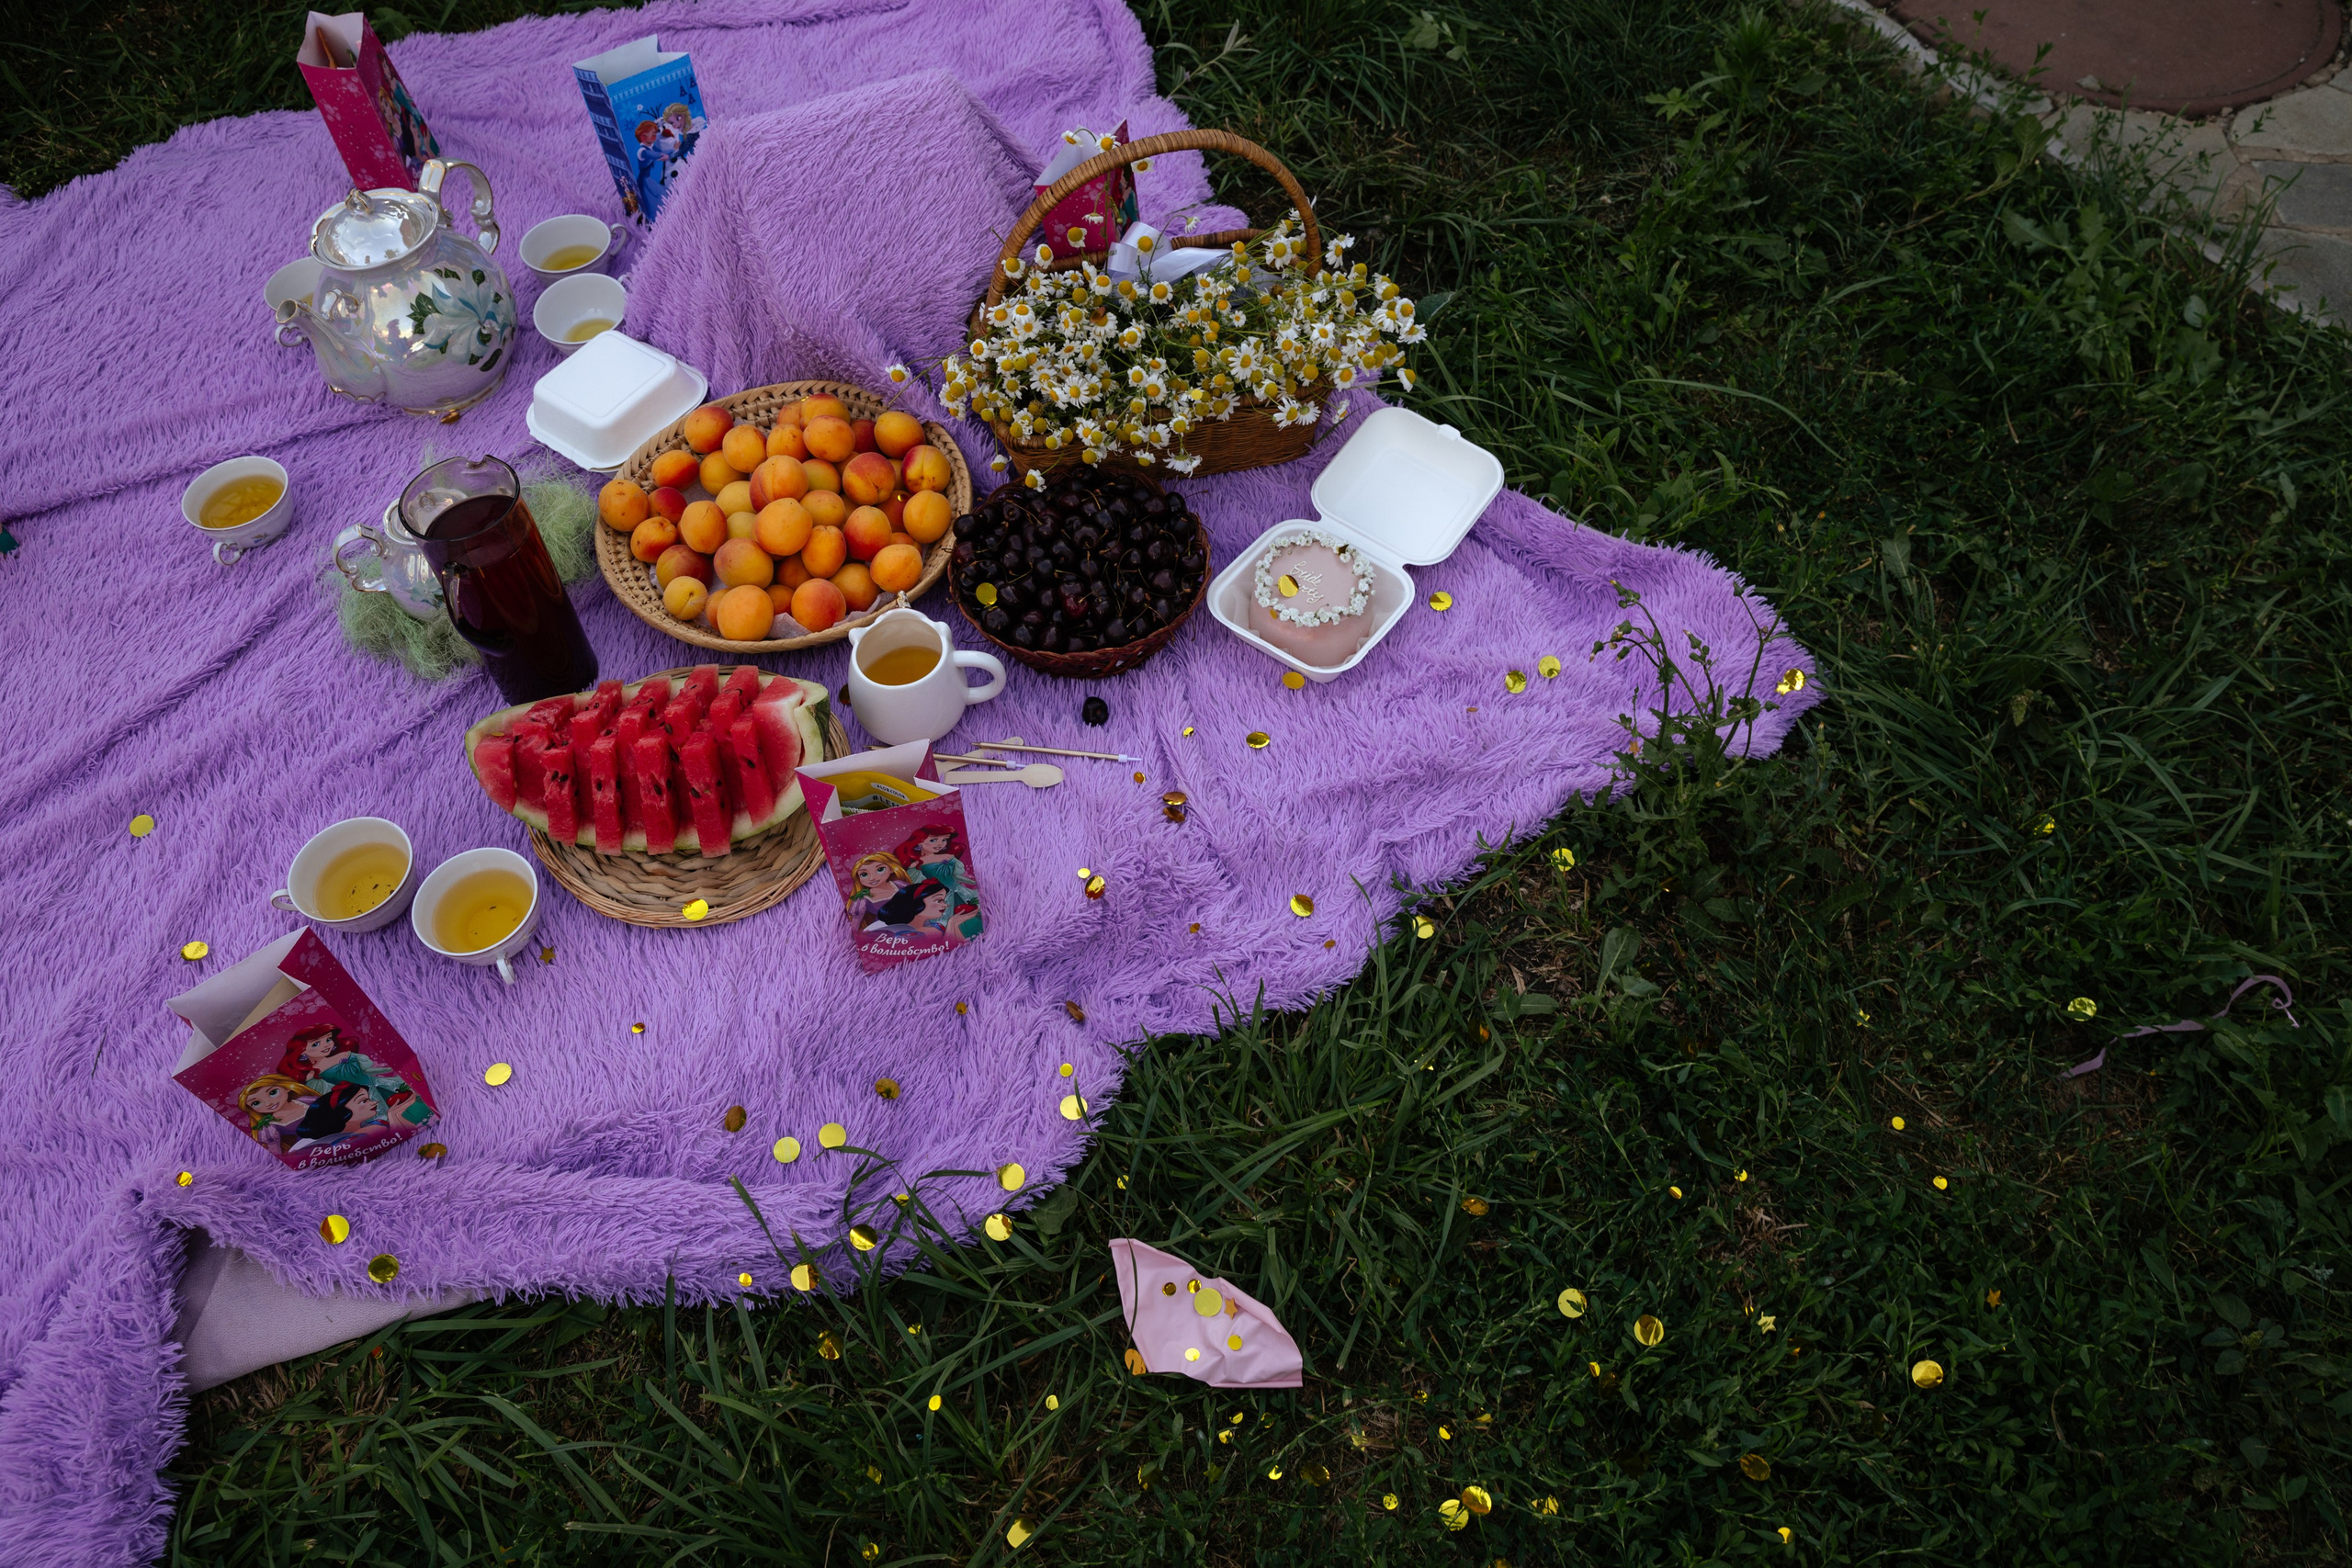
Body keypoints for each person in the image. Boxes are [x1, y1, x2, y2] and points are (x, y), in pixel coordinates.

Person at [896, 825, 981, 940]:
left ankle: (973, 935)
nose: (940, 844)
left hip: (959, 891)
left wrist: (970, 881)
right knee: (946, 919)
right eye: (933, 840)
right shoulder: (917, 864)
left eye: (944, 839)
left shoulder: (948, 857)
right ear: (919, 842)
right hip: (939, 896)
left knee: (971, 913)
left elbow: (954, 876)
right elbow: (918, 885)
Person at [240, 1074, 317, 1156]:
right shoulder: (269, 1127)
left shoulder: (307, 1101)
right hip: (311, 1149)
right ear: (251, 1108)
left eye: (273, 1092)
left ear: (286, 1088)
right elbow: (276, 1152)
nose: (269, 1103)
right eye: (256, 1103)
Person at [843, 852, 909, 928]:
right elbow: (855, 926)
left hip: (910, 924)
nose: (872, 878)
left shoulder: (900, 885)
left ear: (891, 869)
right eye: (864, 874)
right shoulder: (862, 900)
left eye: (880, 869)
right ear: (858, 878)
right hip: (884, 930)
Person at [872, 877, 951, 935]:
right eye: (938, 900)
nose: (945, 905)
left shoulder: (937, 926)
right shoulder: (903, 936)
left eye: (943, 900)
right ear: (916, 903)